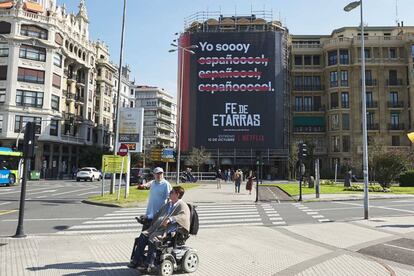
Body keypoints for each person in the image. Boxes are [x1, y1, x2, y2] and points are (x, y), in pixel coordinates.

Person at [128, 186, 191, 271]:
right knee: (143, 235)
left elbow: (183, 217)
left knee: (152, 238)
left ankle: (149, 264)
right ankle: (136, 261)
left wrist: (170, 219)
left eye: (171, 192)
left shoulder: (182, 205)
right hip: (157, 227)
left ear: (177, 194)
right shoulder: (168, 204)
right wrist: (147, 217)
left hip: (168, 231)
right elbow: (157, 214)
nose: (170, 193)